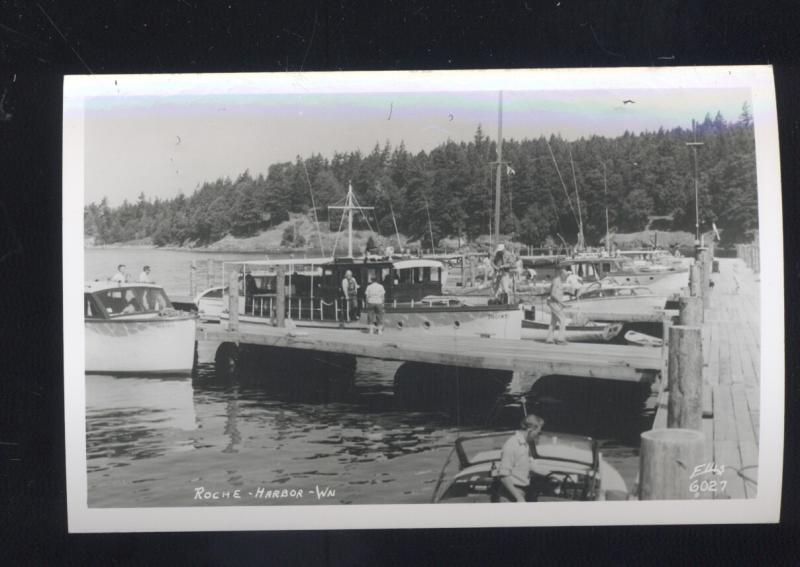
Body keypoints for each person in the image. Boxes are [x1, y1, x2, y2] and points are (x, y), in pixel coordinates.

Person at [494, 414, 545, 502]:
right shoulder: (512, 444)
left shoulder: (525, 444)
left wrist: (550, 474)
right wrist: (519, 497)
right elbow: (503, 475)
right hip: (510, 494)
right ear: (530, 430)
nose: (538, 436)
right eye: (538, 432)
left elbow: (528, 464)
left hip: (520, 492)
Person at [545, 268, 569, 344]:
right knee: (562, 319)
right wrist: (561, 303)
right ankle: (560, 339)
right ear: (561, 274)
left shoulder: (559, 281)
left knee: (553, 321)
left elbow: (558, 294)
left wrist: (561, 304)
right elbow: (552, 294)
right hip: (553, 303)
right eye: (565, 275)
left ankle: (549, 339)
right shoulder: (556, 281)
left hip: (555, 303)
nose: (566, 277)